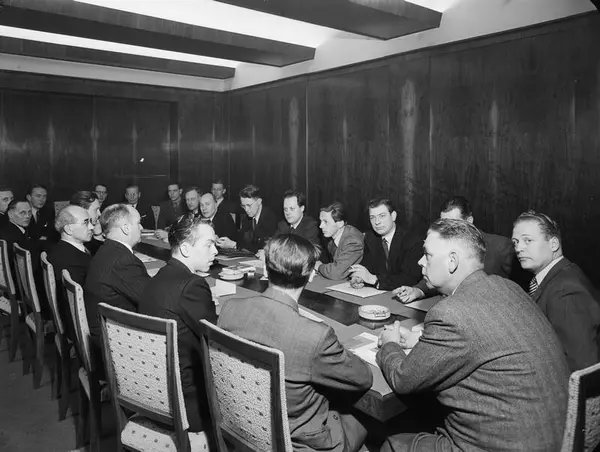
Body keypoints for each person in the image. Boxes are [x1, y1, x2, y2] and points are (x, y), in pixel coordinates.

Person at [377, 219, 569, 452]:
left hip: (504, 445)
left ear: (452, 261)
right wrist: (422, 340)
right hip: (556, 436)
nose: (420, 261)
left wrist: (390, 345)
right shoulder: (508, 287)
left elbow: (404, 379)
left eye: (427, 255)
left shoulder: (450, 313)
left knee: (392, 444)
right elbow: (485, 341)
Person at [218, 234, 373, 452]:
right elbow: (363, 378)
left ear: (266, 267)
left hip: (241, 426)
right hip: (299, 444)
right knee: (369, 423)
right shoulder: (315, 336)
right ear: (310, 275)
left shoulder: (230, 309)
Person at [140, 215, 218, 434]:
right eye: (208, 245)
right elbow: (217, 340)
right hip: (188, 404)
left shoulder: (159, 276)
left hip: (155, 392)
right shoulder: (192, 285)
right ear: (185, 249)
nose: (215, 251)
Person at [512, 210, 600, 371]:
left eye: (527, 240)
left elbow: (581, 365)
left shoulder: (565, 290)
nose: (519, 248)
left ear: (553, 244)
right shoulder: (561, 274)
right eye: (515, 242)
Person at [396, 196, 517, 303]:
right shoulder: (442, 243)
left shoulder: (500, 247)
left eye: (452, 223)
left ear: (469, 221)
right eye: (443, 223)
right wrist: (418, 291)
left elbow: (518, 292)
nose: (445, 229)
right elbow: (440, 273)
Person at [84, 204, 151, 370]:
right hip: (115, 346)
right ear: (126, 228)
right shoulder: (123, 260)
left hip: (104, 332)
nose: (141, 228)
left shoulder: (107, 250)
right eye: (138, 223)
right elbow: (153, 301)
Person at [349, 198, 421, 290]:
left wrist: (374, 279)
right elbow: (368, 266)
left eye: (382, 216)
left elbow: (410, 278)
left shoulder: (412, 240)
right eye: (372, 217)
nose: (377, 222)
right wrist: (359, 277)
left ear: (393, 216)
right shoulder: (370, 238)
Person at [48, 205, 94, 340]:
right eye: (86, 222)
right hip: (79, 326)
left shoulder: (63, 249)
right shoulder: (68, 260)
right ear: (68, 229)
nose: (91, 227)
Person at [217, 185, 277, 253]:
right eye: (243, 206)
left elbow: (260, 247)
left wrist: (234, 245)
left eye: (249, 205)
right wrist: (221, 240)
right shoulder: (248, 217)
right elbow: (241, 238)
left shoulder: (270, 218)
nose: (246, 209)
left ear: (259, 201)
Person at [316, 201, 363, 280]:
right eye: (321, 221)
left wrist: (319, 266)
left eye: (325, 222)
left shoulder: (352, 242)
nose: (321, 226)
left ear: (340, 224)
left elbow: (336, 273)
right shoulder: (331, 237)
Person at [70, 190, 104, 255]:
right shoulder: (78, 234)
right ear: (83, 210)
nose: (99, 214)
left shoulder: (92, 228)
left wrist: (98, 234)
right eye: (96, 210)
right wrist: (98, 237)